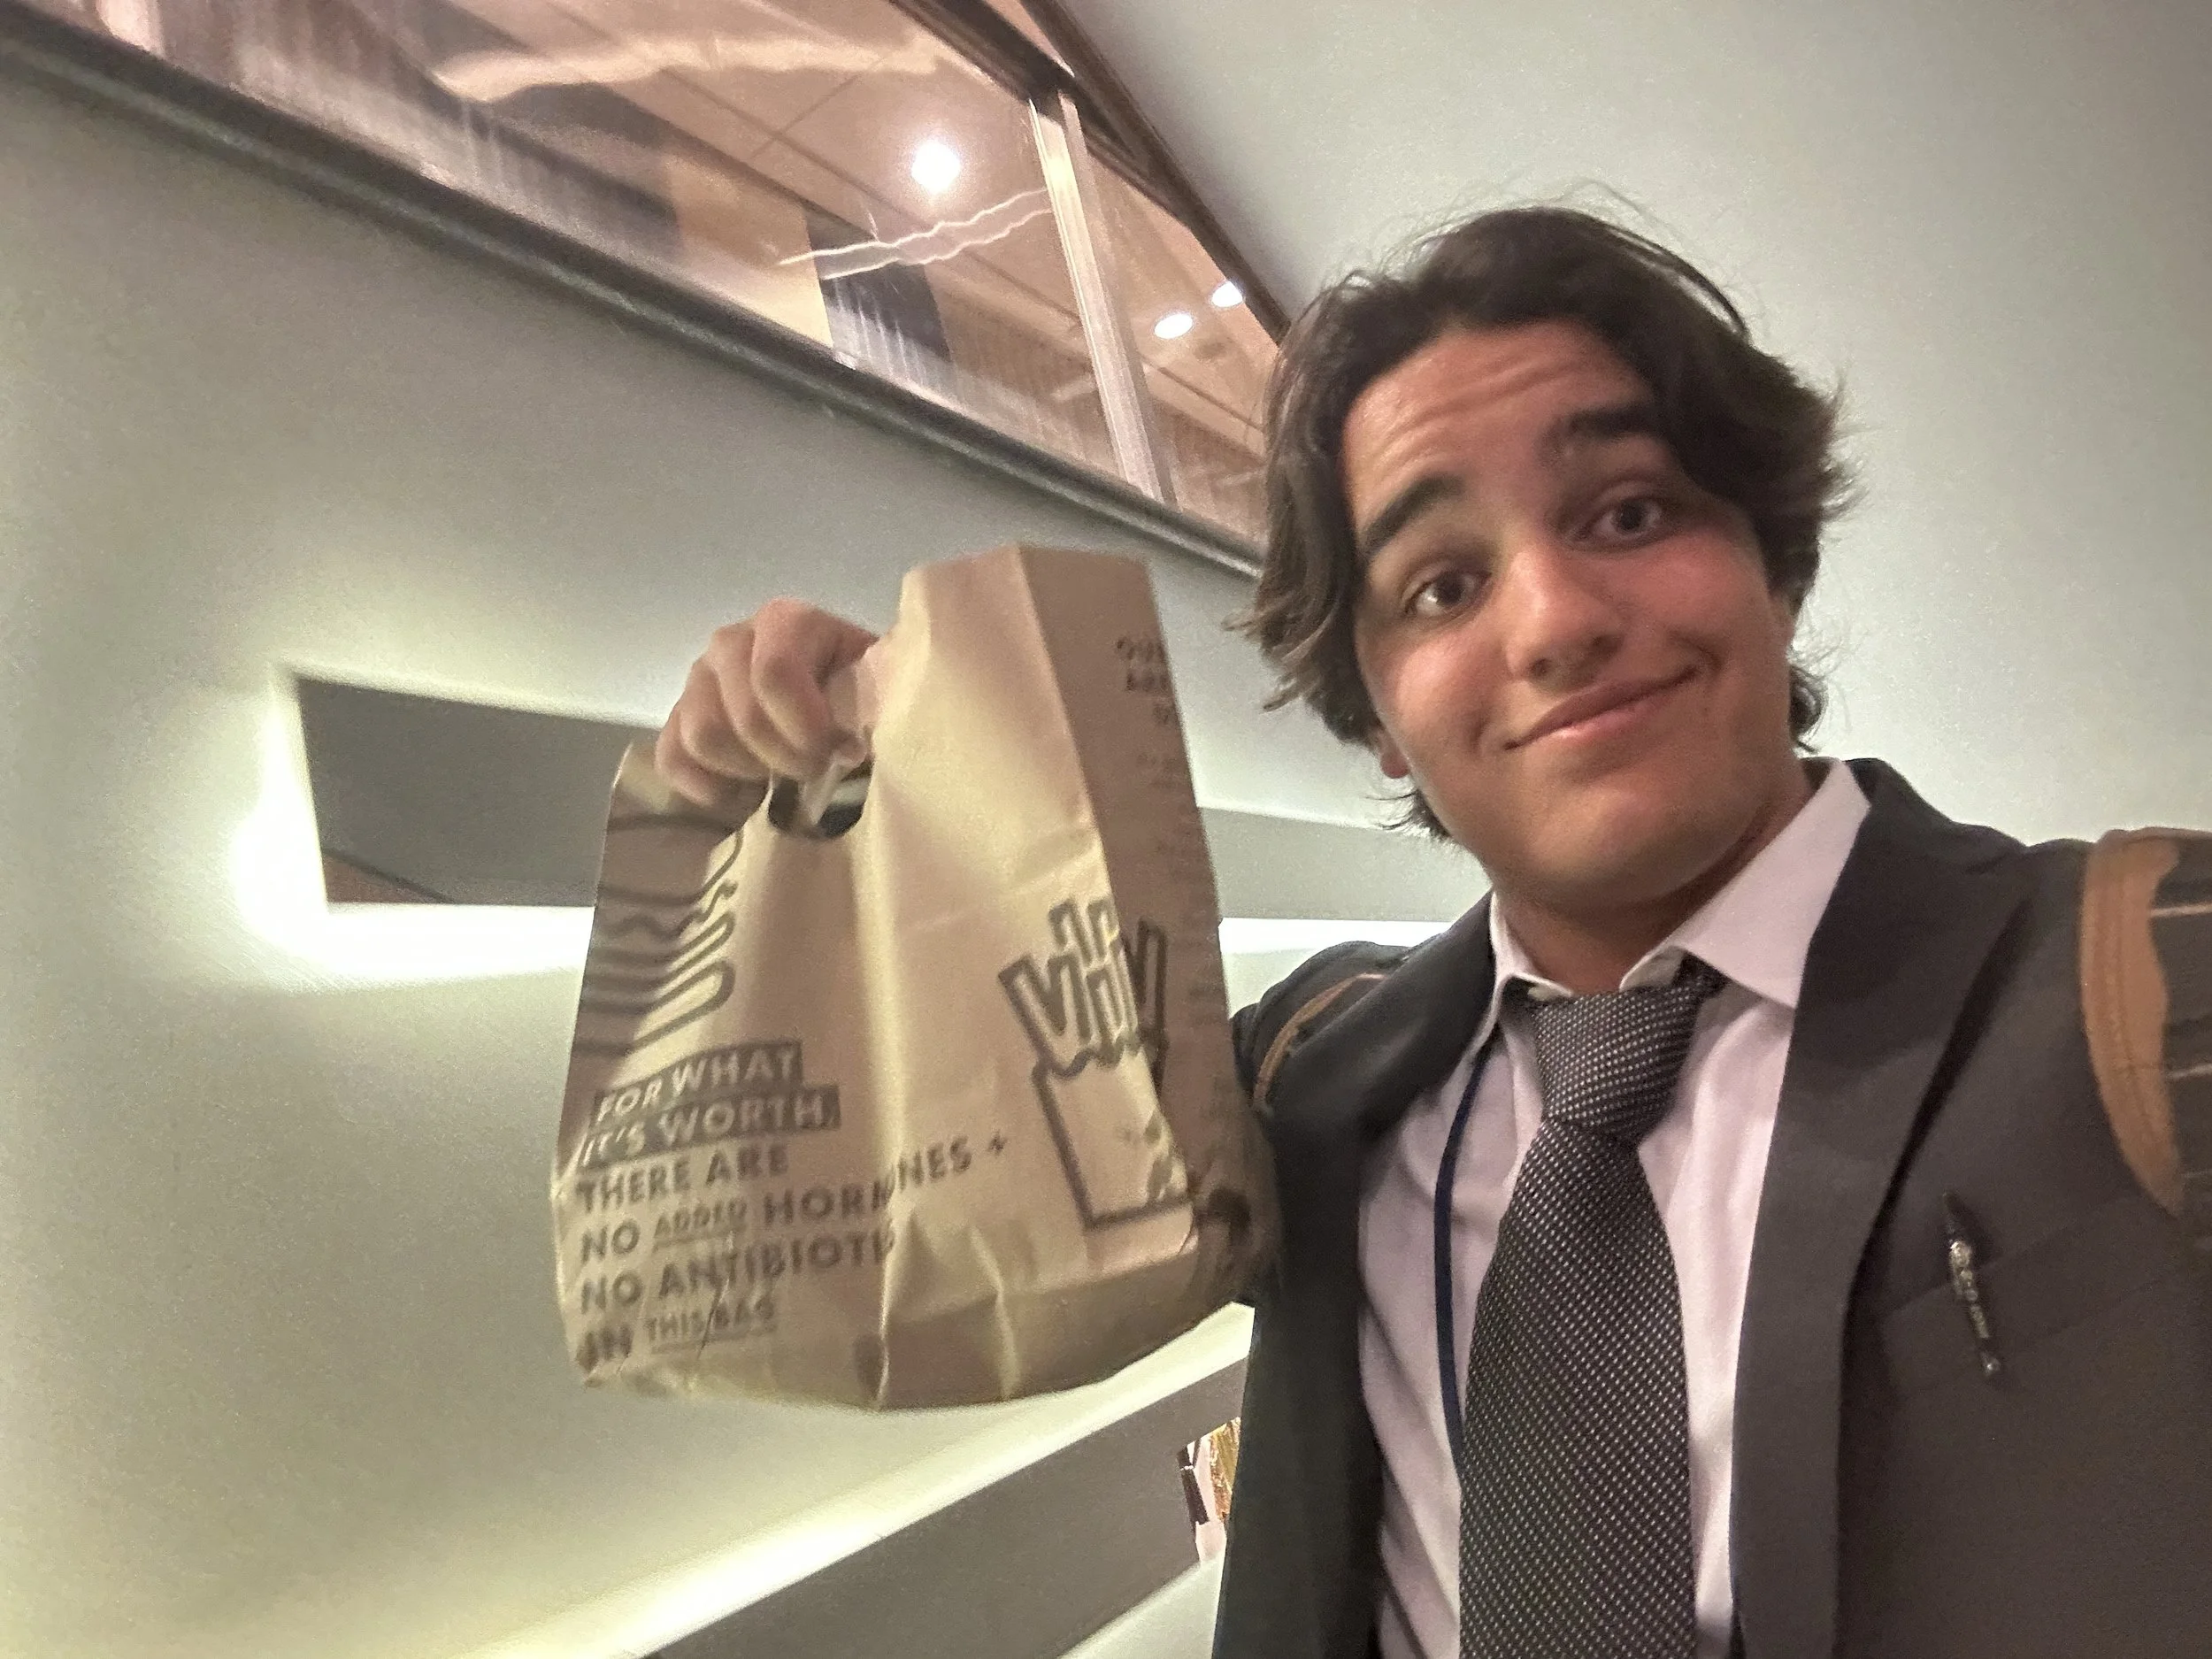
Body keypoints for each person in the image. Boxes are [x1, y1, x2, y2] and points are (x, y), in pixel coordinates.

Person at [653, 207, 2212, 1659]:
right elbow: (883, 1222)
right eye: (1443, 585)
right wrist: (825, 786)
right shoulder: (1311, 1076)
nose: (1555, 621)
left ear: (1774, 560)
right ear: (1379, 722)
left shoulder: (2150, 969)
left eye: (1629, 510)